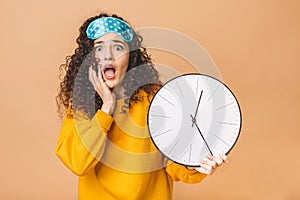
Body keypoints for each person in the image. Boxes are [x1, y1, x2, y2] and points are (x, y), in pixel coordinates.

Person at [55, 12, 229, 200]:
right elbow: (78, 163)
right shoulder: (82, 106)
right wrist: (107, 107)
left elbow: (174, 164)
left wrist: (195, 163)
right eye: (99, 48)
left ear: (131, 57)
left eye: (118, 47)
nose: (108, 56)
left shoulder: (155, 99)